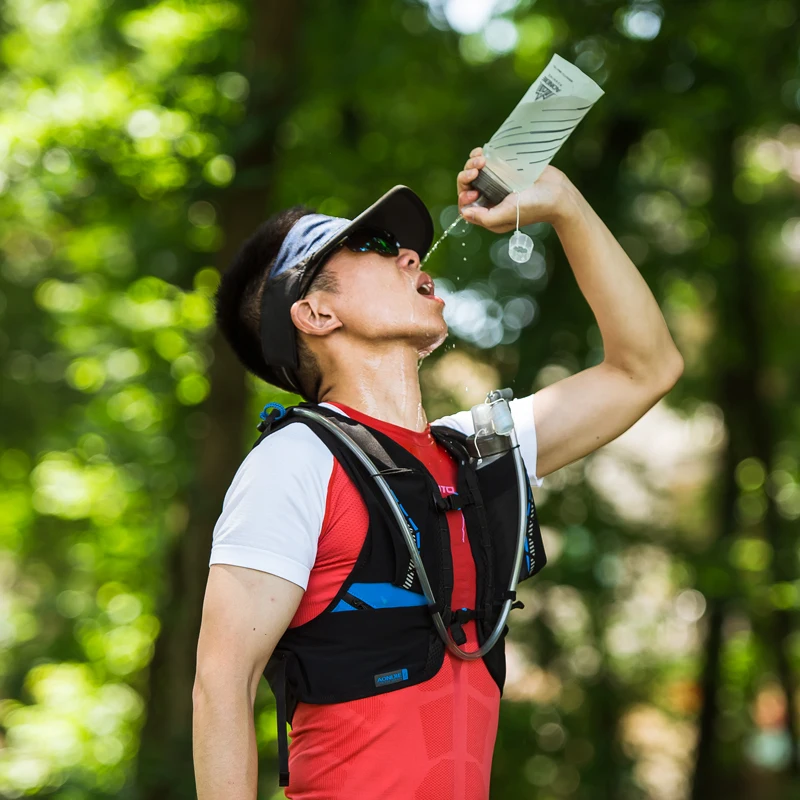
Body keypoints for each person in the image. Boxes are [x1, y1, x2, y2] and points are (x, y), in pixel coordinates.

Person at [192, 147, 684, 800]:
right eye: (372, 245)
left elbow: (643, 369)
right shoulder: (296, 461)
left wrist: (564, 202)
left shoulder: (472, 451)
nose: (408, 254)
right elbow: (220, 684)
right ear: (315, 315)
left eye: (402, 246)